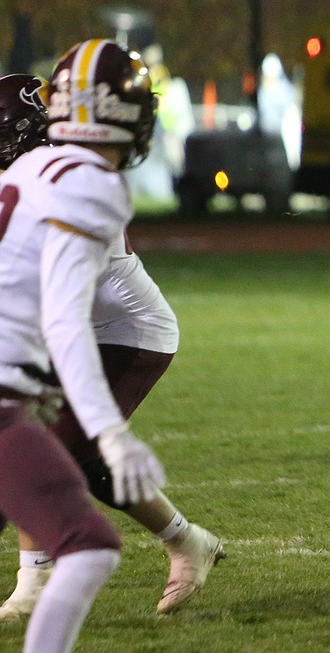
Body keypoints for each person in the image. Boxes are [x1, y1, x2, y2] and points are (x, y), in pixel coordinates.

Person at [0, 72, 224, 623]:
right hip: (73, 326)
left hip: (125, 332)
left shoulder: (66, 187)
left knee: (39, 445)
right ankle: (187, 542)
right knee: (63, 451)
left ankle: (37, 578)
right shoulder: (40, 173)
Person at [0, 40, 169, 652]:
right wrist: (111, 432)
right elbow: (68, 321)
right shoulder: (92, 186)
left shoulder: (25, 169)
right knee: (89, 548)